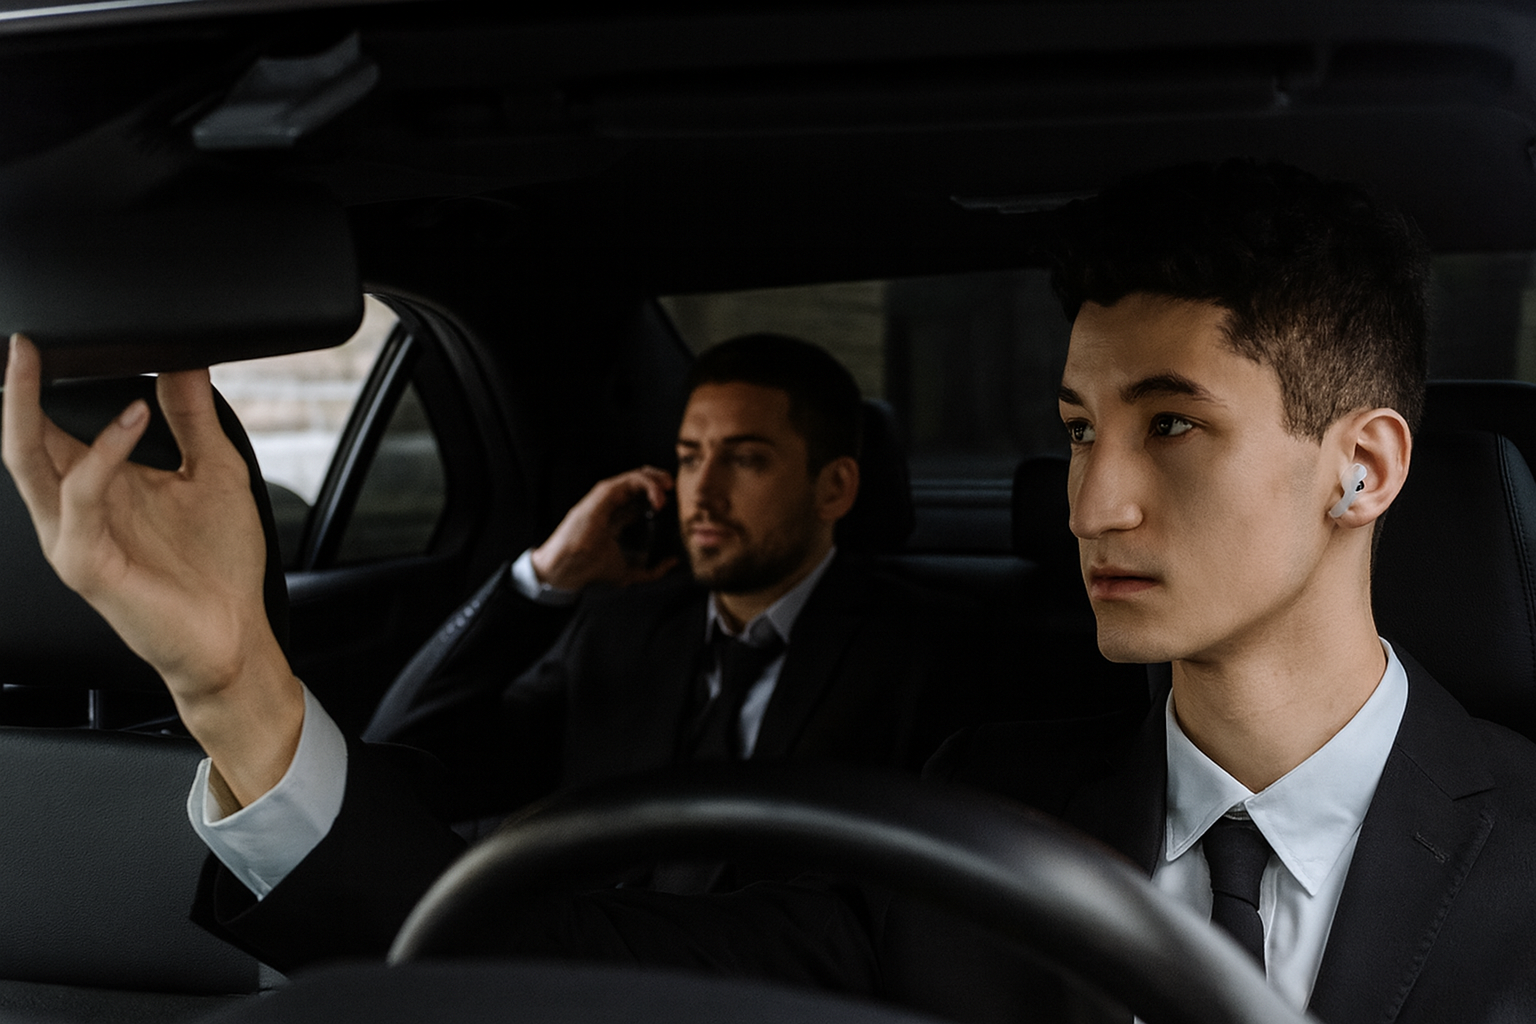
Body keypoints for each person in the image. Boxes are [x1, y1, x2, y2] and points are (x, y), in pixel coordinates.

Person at [5, 159, 1533, 1022]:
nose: (1094, 500)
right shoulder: (983, 825)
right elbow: (552, 968)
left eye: (1172, 426)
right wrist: (230, 679)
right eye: (1077, 431)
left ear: (1366, 468)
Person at [356, 333, 984, 840]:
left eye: (745, 459)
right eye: (688, 458)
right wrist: (547, 576)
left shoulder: (928, 655)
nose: (703, 494)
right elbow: (402, 760)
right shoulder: (618, 631)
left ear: (835, 488)